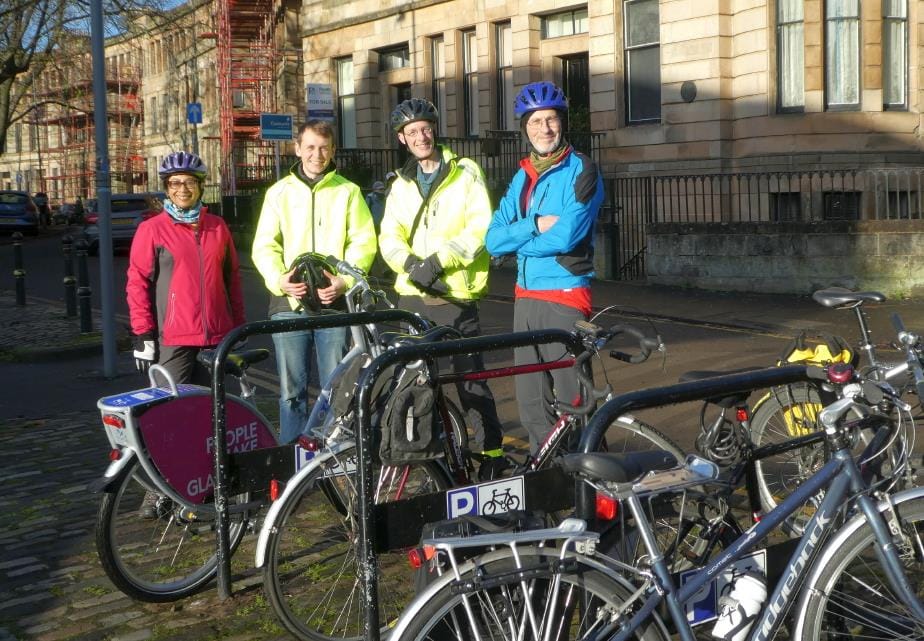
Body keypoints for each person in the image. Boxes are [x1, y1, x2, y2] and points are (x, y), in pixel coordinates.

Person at [379, 98, 507, 479]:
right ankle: (427, 454)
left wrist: (438, 261)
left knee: (470, 380)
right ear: (402, 139)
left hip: (453, 294)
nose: (420, 136)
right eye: (411, 132)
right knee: (414, 382)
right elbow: (389, 235)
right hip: (412, 295)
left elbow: (479, 227)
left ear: (434, 130)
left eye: (425, 128)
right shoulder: (401, 184)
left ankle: (491, 454)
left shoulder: (464, 172)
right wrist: (410, 265)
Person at [485, 81, 604, 453]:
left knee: (573, 400)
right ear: (525, 127)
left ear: (562, 123)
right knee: (531, 400)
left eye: (550, 119)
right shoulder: (522, 176)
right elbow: (492, 239)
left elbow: (567, 236)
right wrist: (533, 224)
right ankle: (546, 476)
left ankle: (588, 482)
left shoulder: (582, 169)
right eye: (535, 122)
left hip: (564, 296)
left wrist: (519, 242)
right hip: (525, 297)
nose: (544, 129)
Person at [252, 119, 377, 444]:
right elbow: (264, 244)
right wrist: (278, 279)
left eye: (323, 148)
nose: (316, 154)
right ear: (297, 149)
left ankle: (330, 455)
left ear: (333, 150)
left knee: (335, 388)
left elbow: (363, 242)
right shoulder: (278, 193)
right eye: (309, 147)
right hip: (289, 306)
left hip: (333, 305)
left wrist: (344, 281)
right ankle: (294, 460)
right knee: (291, 391)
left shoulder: (348, 192)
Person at [127, 150, 246, 387]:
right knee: (170, 409)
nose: (183, 189)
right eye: (175, 182)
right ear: (167, 187)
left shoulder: (218, 226)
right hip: (173, 338)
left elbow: (231, 278)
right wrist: (143, 333)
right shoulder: (152, 229)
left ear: (201, 185)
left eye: (190, 181)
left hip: (216, 337)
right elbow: (137, 282)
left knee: (211, 409)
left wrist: (239, 326)